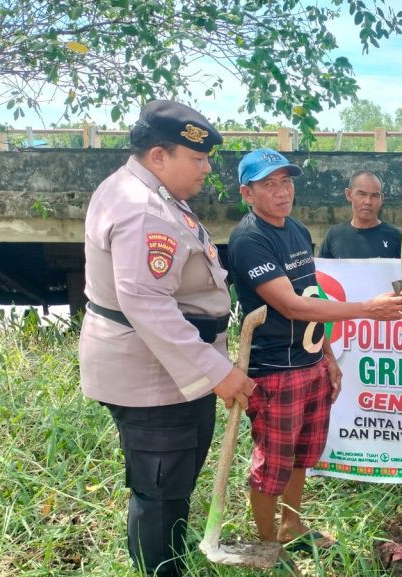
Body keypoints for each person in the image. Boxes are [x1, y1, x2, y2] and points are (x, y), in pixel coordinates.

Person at [79, 100, 254, 576]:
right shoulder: (143, 210)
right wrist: (220, 373)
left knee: (171, 484)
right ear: (159, 156)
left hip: (168, 368)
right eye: (196, 159)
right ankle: (161, 570)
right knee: (160, 490)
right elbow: (147, 303)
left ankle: (169, 559)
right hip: (154, 376)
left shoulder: (149, 195)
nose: (205, 169)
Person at [225, 149, 402, 550]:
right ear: (248, 192)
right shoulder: (248, 240)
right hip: (275, 368)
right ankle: (265, 546)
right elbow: (290, 305)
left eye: (286, 181)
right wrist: (368, 309)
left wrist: (327, 356)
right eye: (268, 184)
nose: (281, 192)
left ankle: (291, 527)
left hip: (310, 362)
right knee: (271, 466)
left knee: (301, 457)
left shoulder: (295, 230)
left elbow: (310, 294)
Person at [318, 169, 402, 260]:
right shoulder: (334, 234)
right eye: (361, 194)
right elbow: (322, 278)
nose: (368, 201)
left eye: (374, 196)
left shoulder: (397, 237)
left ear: (381, 199)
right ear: (348, 194)